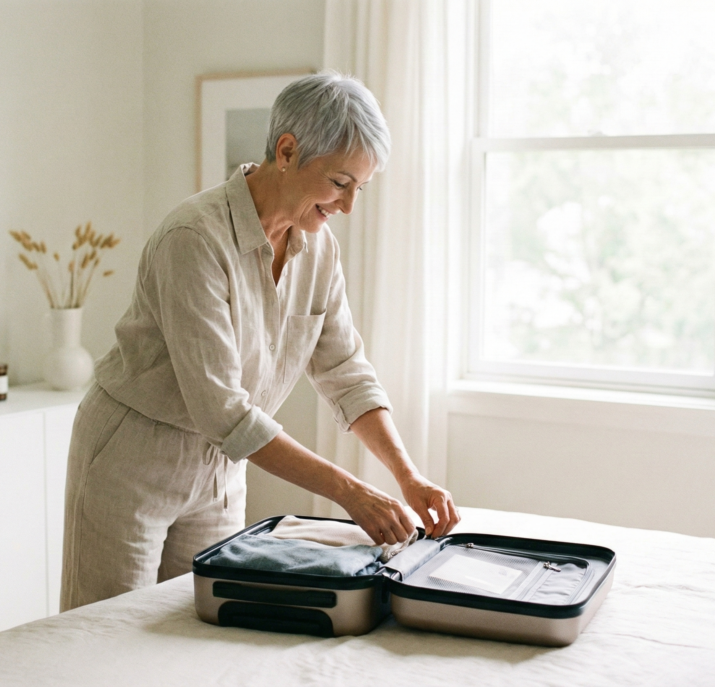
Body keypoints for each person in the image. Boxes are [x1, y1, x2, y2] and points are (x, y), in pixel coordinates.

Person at [60, 71, 460, 611]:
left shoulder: (320, 251)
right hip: (133, 458)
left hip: (223, 470)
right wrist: (350, 493)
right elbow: (223, 411)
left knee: (206, 623)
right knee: (106, 633)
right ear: (288, 151)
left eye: (359, 189)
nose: (347, 206)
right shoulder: (194, 239)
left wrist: (407, 476)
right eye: (340, 183)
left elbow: (346, 371)